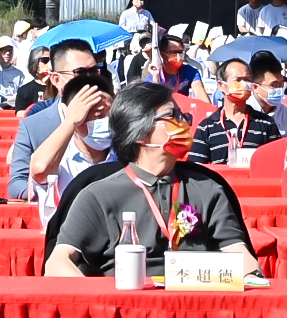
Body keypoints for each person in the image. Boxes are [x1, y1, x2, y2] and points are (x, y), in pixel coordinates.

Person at [42, 83, 251, 275]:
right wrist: (98, 298)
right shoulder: (98, 195)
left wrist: (251, 275)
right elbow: (57, 262)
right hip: (128, 298)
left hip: (195, 297)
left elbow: (240, 254)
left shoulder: (208, 188)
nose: (184, 122)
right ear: (138, 133)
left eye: (182, 115)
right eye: (172, 116)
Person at [8, 39, 104, 200]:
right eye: (79, 73)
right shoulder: (33, 127)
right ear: (56, 79)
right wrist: (49, 193)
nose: (89, 80)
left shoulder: (116, 119)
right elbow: (17, 183)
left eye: (94, 71)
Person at [191, 56, 287, 163]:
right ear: (221, 85)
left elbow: (277, 161)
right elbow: (196, 167)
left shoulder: (266, 123)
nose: (244, 85)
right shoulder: (206, 127)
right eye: (238, 80)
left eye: (247, 80)